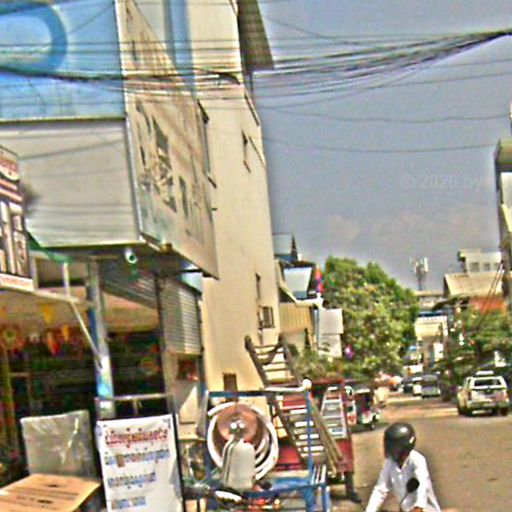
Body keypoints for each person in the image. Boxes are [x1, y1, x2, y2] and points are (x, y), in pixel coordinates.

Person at [365, 422, 441, 512]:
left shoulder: (417, 460)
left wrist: (419, 506)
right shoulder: (390, 463)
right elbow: (380, 489)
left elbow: (422, 485)